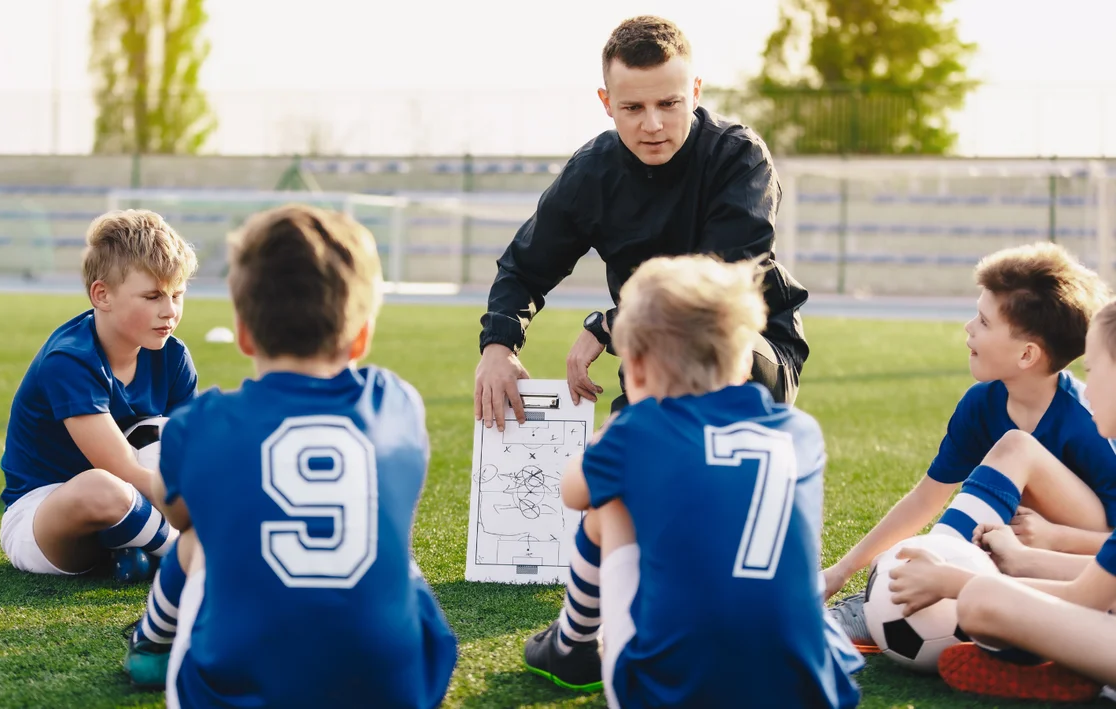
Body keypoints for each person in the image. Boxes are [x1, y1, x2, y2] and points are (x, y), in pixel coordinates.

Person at [127, 204, 458, 707]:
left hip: (231, 694)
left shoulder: (202, 425)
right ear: (362, 335)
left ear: (244, 332)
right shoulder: (398, 405)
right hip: (395, 691)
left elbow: (176, 514)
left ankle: (152, 641)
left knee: (198, 537)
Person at [546, 253, 862, 707]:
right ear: (743, 363)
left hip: (672, 693)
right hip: (809, 692)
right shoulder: (800, 431)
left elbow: (572, 492)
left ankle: (571, 643)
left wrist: (608, 440)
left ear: (634, 367)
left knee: (606, 501)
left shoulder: (636, 431)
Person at [474, 14, 809, 435]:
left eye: (669, 104)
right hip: (647, 364)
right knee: (615, 472)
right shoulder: (592, 173)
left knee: (711, 345)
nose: (652, 125)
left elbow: (718, 283)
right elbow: (523, 268)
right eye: (633, 108)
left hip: (749, 350)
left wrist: (608, 325)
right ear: (607, 102)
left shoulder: (739, 157)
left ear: (695, 91)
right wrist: (498, 347)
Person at [823, 242, 1115, 651]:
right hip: (1026, 558)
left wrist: (1056, 537)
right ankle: (909, 595)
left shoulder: (1090, 420)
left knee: (1017, 447)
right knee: (994, 516)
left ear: (1027, 354)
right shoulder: (981, 404)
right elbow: (926, 498)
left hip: (1088, 564)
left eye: (983, 320)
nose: (968, 328)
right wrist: (840, 571)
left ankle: (899, 601)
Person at [882, 299, 1116, 703]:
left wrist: (952, 581)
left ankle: (1073, 669)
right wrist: (1025, 560)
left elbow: (1084, 597)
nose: (1087, 386)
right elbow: (1098, 580)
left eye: (1094, 372)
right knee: (992, 594)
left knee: (980, 601)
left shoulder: (1081, 425)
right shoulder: (984, 401)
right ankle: (1067, 671)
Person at [0, 209, 197, 581]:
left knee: (182, 446)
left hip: (138, 500)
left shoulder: (174, 357)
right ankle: (190, 557)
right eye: (153, 296)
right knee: (102, 487)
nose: (169, 311)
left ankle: (138, 549)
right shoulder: (70, 360)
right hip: (47, 514)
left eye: (177, 294)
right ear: (102, 295)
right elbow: (120, 470)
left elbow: (188, 452)